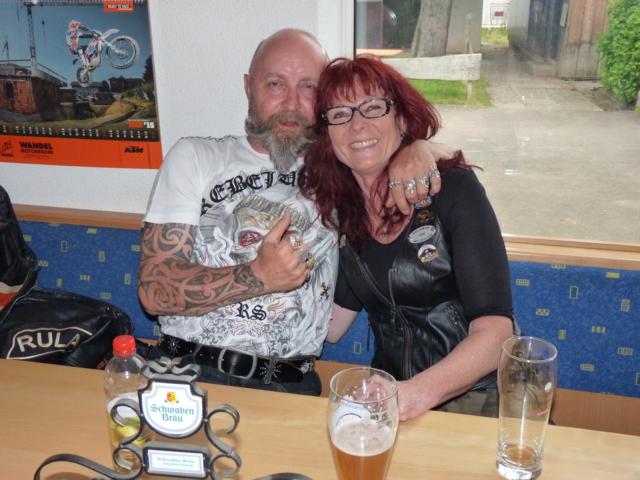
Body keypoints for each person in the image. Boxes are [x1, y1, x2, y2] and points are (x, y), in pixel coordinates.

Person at [138, 29, 452, 396]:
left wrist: (419, 148)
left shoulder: (346, 169)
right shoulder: (196, 157)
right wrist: (258, 276)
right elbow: (153, 291)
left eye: (308, 87)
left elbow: (406, 148)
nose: (291, 103)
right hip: (185, 371)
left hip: (288, 385)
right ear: (248, 87)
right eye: (275, 84)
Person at [299, 55, 514, 420]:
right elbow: (332, 327)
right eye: (340, 114)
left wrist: (413, 394)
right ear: (327, 133)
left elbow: (496, 333)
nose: (357, 125)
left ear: (400, 118)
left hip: (478, 400)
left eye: (373, 107)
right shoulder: (344, 215)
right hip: (390, 396)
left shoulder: (452, 188)